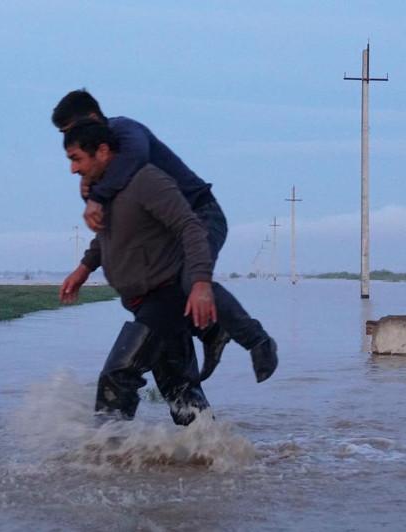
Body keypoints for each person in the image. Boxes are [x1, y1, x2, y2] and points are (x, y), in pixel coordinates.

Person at [54, 89, 277, 383]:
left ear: (93, 120)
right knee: (170, 321)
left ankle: (255, 340)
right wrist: (86, 266)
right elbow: (114, 232)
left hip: (200, 213)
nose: (69, 142)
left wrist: (97, 194)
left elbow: (137, 156)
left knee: (190, 278)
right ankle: (206, 338)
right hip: (164, 233)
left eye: (72, 132)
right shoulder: (108, 176)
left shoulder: (126, 135)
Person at [60, 121, 213, 425]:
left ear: (102, 151)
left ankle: (104, 462)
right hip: (147, 302)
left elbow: (191, 226)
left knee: (117, 377)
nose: (73, 170)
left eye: (77, 159)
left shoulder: (145, 181)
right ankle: (214, 458)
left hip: (167, 297)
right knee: (182, 393)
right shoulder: (108, 192)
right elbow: (108, 236)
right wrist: (84, 267)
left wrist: (200, 283)